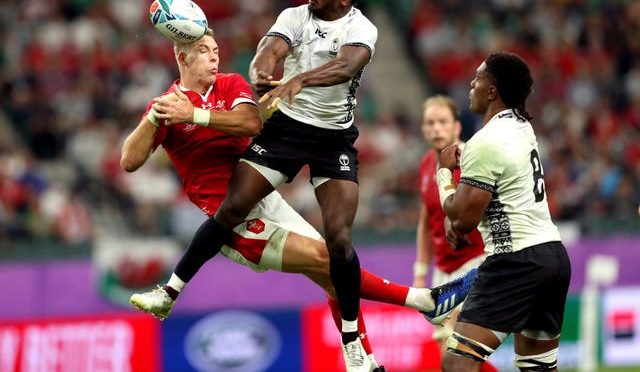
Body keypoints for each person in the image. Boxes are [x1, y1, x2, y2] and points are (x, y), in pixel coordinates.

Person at [123, 28, 477, 372]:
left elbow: (249, 122)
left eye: (216, 50)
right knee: (325, 257)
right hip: (232, 220)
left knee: (332, 273)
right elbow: (130, 160)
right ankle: (423, 300)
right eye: (204, 51)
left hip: (265, 197)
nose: (215, 56)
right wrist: (154, 117)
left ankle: (362, 361)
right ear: (182, 57)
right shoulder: (168, 106)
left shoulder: (229, 84)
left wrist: (197, 115)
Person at [136, 0, 385, 371]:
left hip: (334, 138)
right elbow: (268, 53)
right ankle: (170, 292)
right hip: (286, 131)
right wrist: (261, 73)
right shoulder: (294, 15)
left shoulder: (362, 28)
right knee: (231, 207)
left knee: (339, 241)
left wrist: (301, 79)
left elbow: (347, 66)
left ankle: (350, 342)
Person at [436, 52, 572, 372]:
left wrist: (444, 174)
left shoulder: (487, 141)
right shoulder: (522, 127)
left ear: (493, 91)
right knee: (537, 367)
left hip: (515, 260)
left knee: (456, 364)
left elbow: (463, 220)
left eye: (479, 78)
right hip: (552, 256)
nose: (472, 83)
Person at [414, 95, 497, 372]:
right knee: (447, 355)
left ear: (456, 127)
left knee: (459, 349)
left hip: (476, 261)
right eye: (430, 123)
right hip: (444, 268)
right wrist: (420, 270)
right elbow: (427, 220)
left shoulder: (470, 160)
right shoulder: (427, 164)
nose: (436, 129)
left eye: (442, 122)